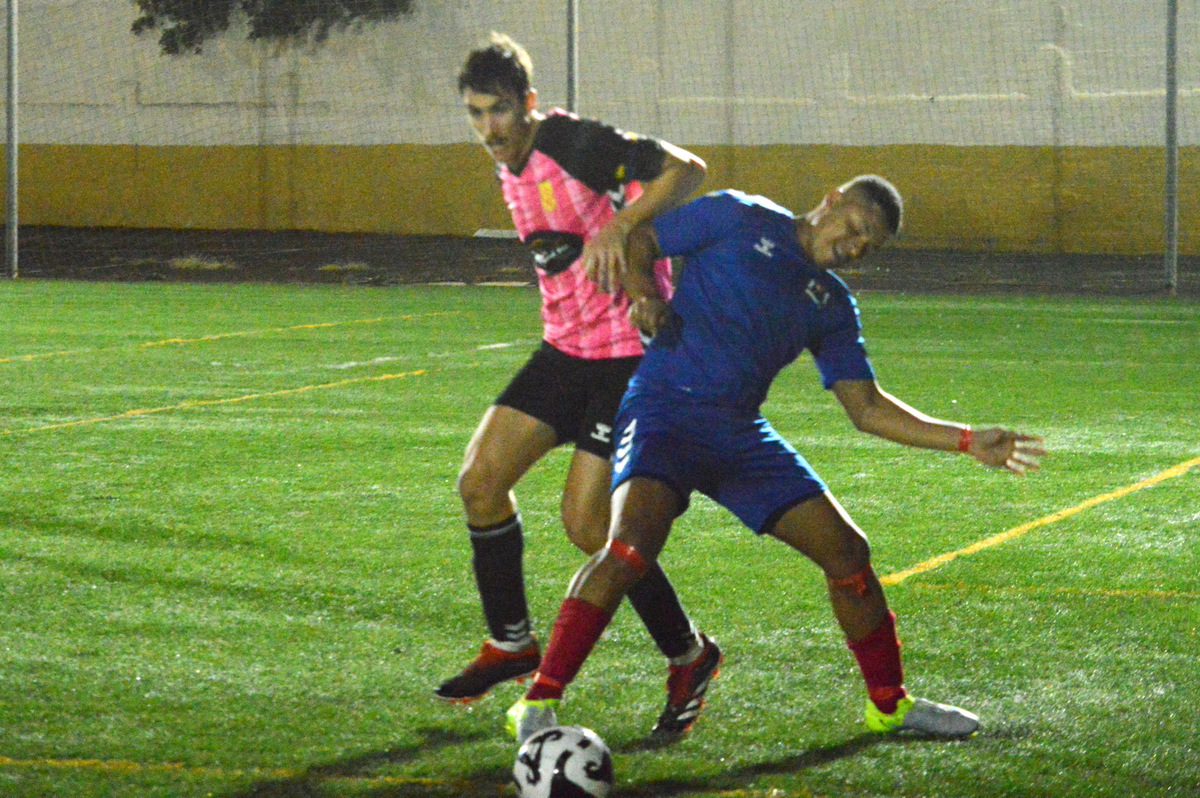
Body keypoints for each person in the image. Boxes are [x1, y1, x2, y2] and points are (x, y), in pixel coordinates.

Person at [505, 175, 1046, 743]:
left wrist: (964, 439)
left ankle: (890, 705)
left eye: (870, 246)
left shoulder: (833, 304)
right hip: (665, 411)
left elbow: (864, 407)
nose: (857, 247)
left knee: (848, 554)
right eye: (856, 228)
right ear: (831, 200)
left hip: (738, 434)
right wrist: (646, 295)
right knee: (629, 547)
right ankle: (538, 701)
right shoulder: (740, 217)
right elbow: (641, 240)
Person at [438, 33, 721, 739]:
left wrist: (622, 224)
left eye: (499, 111)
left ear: (527, 104)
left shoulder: (572, 142)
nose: (488, 129)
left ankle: (691, 655)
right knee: (480, 482)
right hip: (565, 351)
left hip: (626, 356)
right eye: (475, 114)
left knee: (591, 528)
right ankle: (511, 642)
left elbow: (687, 169)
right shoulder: (512, 159)